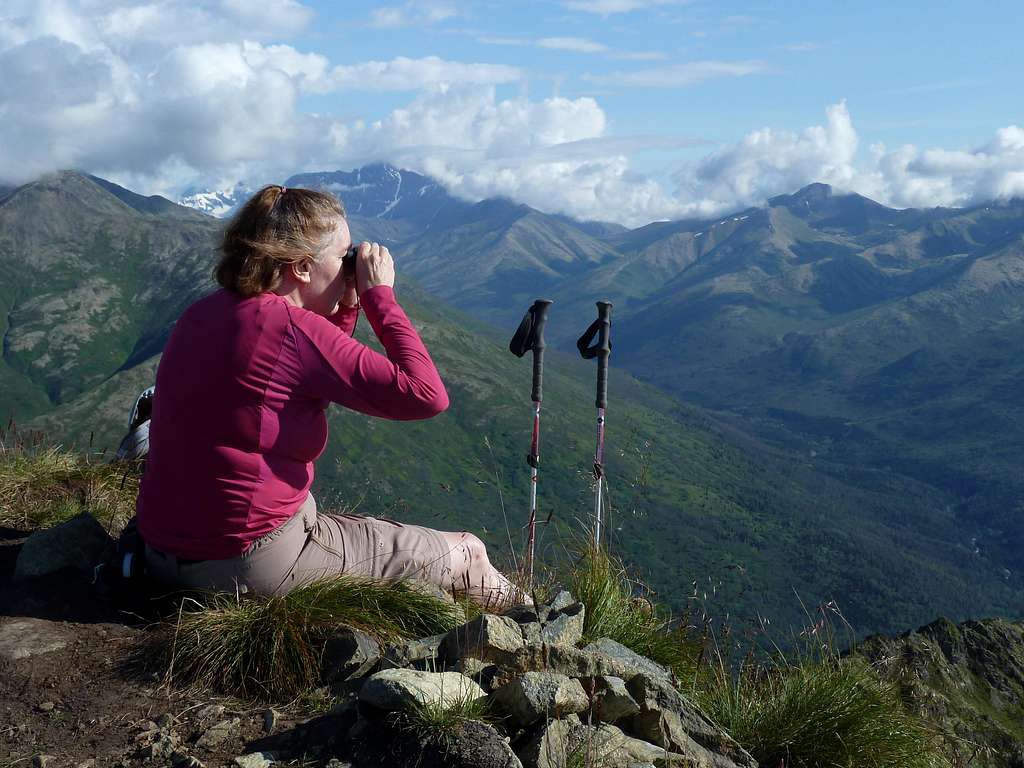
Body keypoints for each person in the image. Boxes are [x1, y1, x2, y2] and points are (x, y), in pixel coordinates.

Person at [136, 185, 522, 607]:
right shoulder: (291, 329)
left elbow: (309, 372)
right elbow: (426, 395)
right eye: (343, 257)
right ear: (302, 266)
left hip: (160, 553)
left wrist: (347, 303)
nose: (348, 268)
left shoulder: (204, 313)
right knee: (468, 552)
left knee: (345, 522)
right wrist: (380, 297)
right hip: (248, 564)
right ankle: (541, 635)